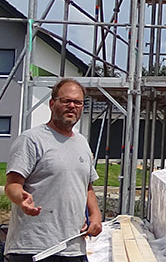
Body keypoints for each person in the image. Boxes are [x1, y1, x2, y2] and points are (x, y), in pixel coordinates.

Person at [4, 78, 102, 261]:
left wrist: (95, 215)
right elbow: (12, 185)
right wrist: (22, 198)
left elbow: (87, 186)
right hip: (33, 249)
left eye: (78, 102)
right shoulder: (31, 140)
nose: (72, 106)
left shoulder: (82, 143)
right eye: (66, 101)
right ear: (52, 103)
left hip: (73, 247)